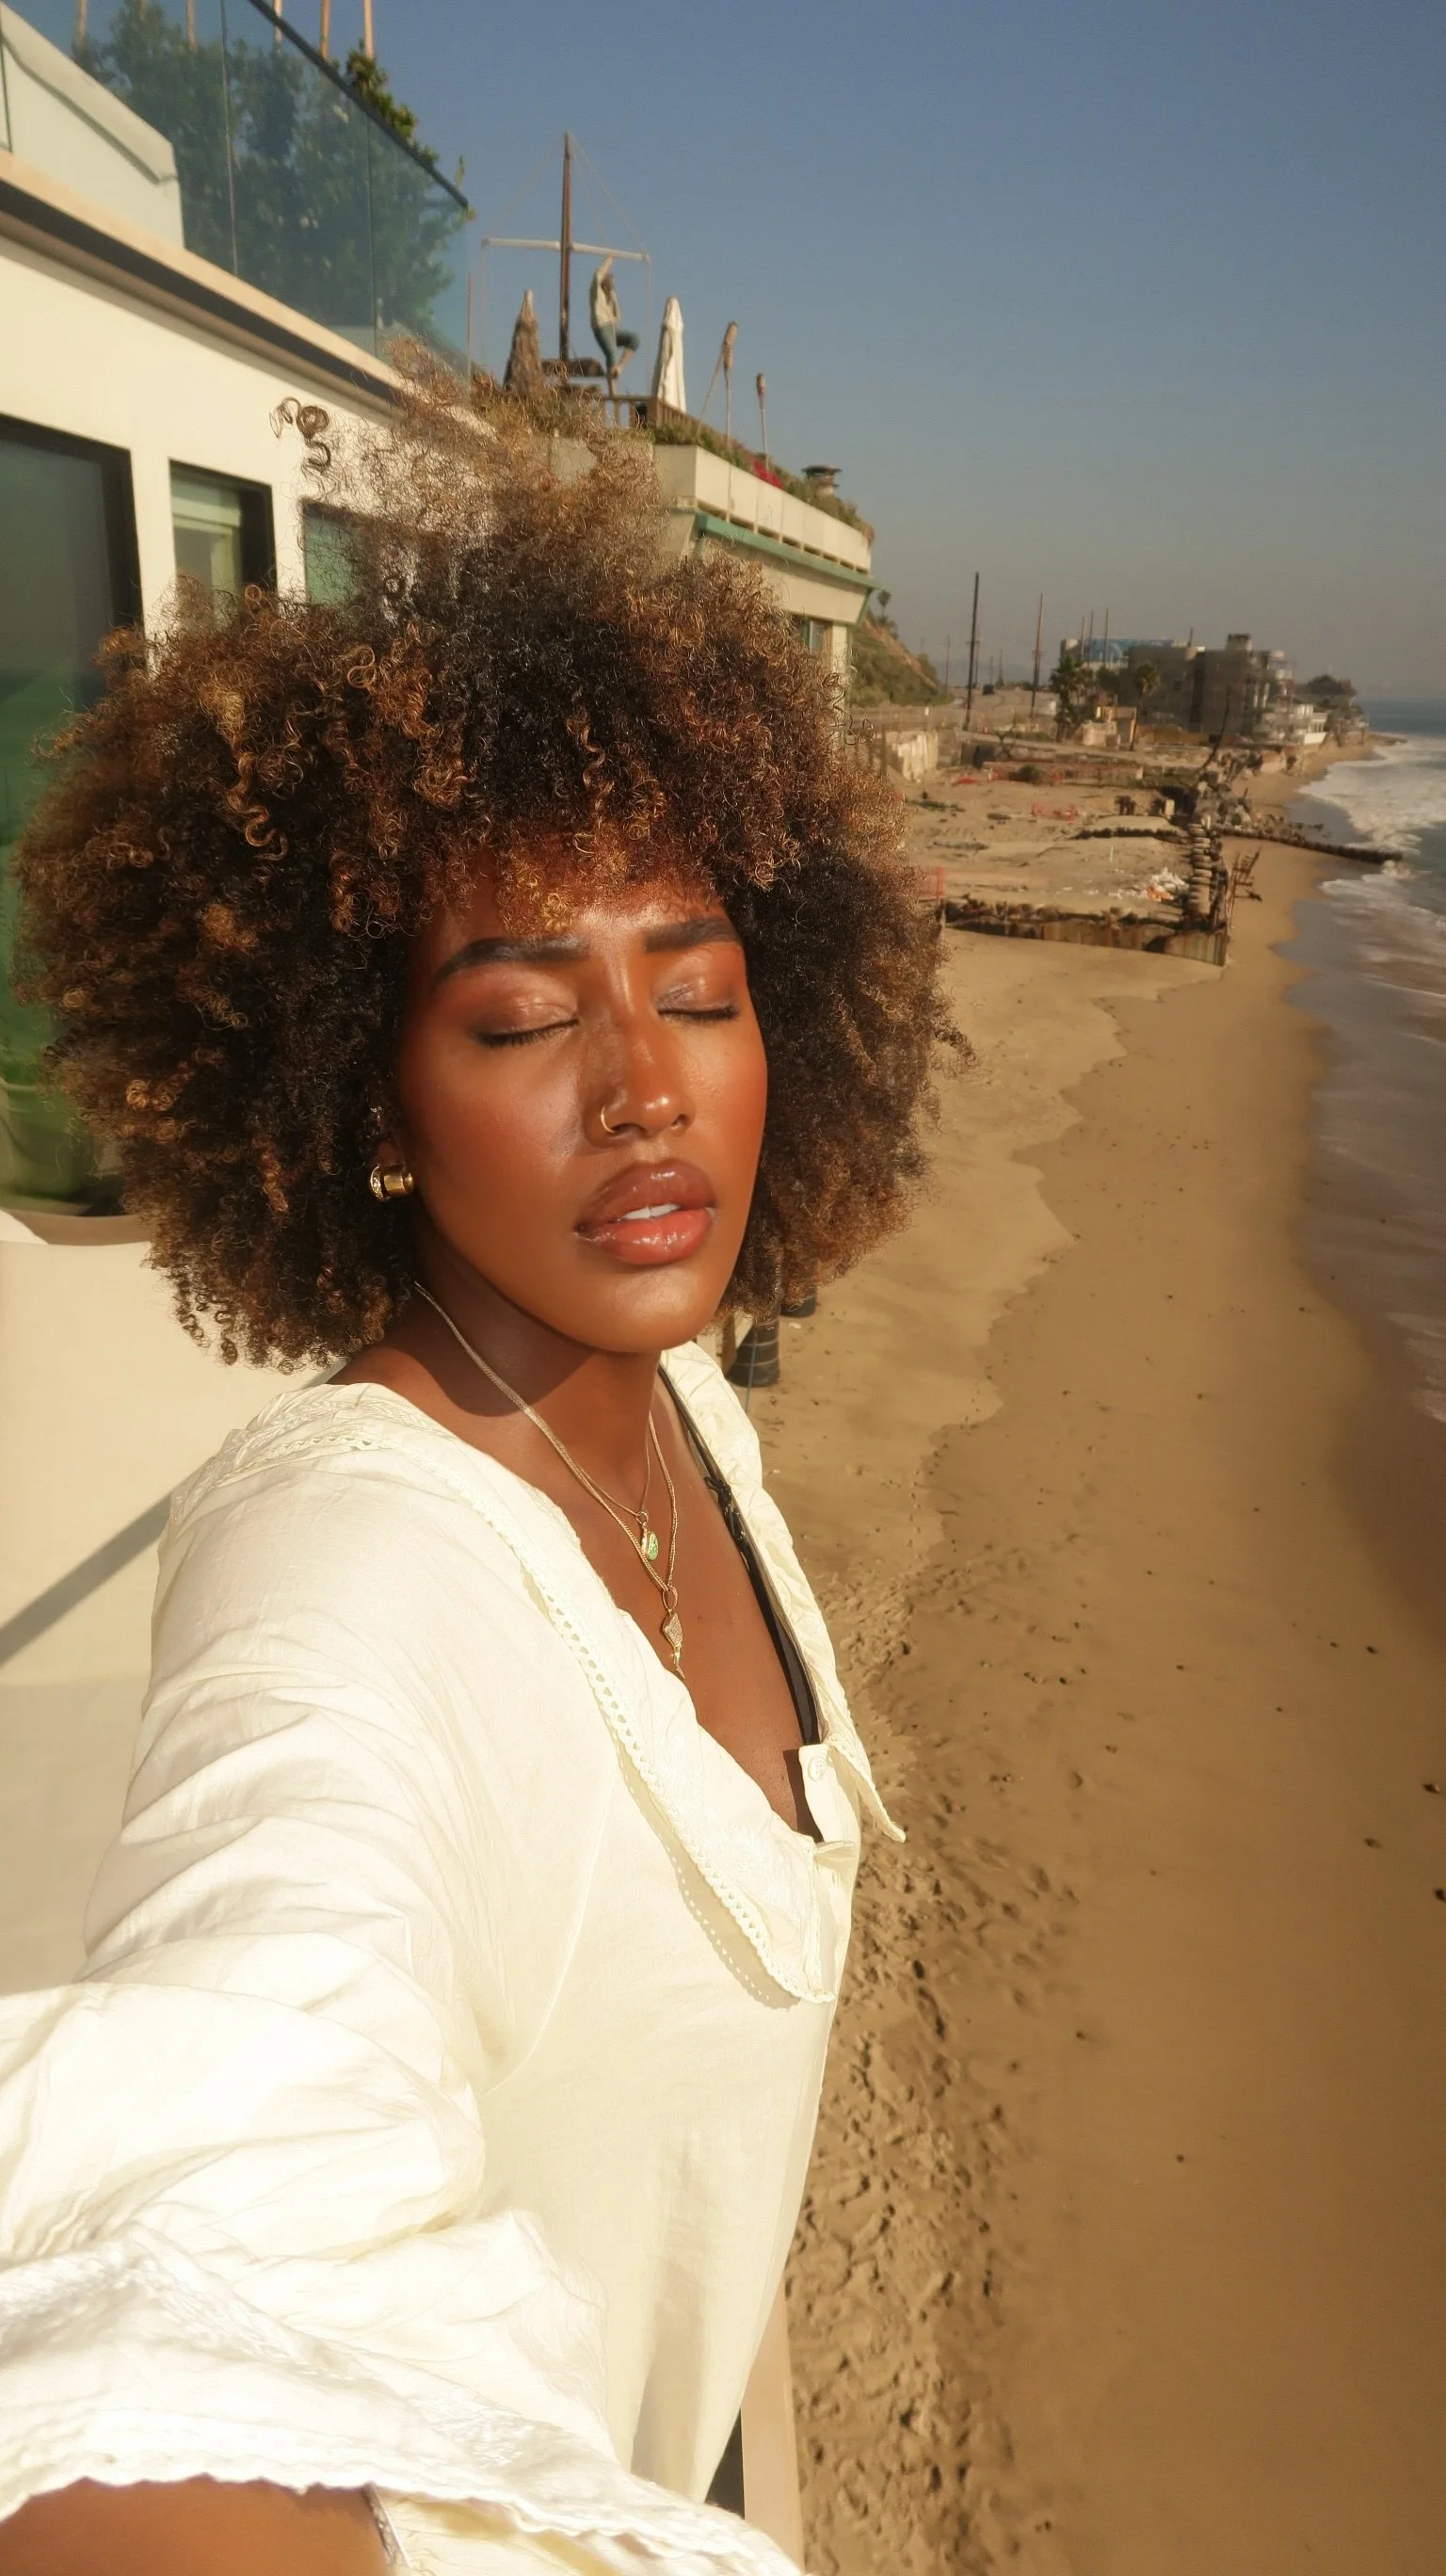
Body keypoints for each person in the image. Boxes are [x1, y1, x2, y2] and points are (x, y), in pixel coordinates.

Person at [0, 403, 940, 2575]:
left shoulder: (669, 1390)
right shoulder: (339, 1564)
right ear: (370, 1096)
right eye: (522, 1019)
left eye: (695, 989)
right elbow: (231, 2120)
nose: (643, 1088)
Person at [589, 257, 640, 389]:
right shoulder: (596, 292)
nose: (611, 283)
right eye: (609, 279)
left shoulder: (610, 296)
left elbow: (617, 319)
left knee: (634, 339)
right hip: (602, 326)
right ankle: (613, 390)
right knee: (612, 353)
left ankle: (619, 367)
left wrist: (613, 299)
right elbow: (598, 274)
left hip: (612, 329)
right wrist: (609, 260)